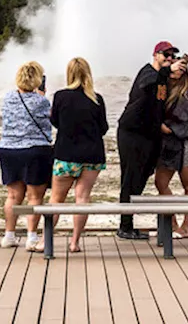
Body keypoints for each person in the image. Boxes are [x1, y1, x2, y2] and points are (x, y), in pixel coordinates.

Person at [116, 42, 186, 240]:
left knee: (141, 177)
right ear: (155, 55)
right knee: (130, 178)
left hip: (149, 135)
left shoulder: (162, 80)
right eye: (166, 55)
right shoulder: (147, 72)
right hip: (132, 133)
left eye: (173, 56)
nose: (169, 59)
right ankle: (125, 226)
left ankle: (128, 223)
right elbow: (147, 84)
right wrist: (167, 71)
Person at [50, 57, 108, 254]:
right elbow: (103, 128)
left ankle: (45, 240)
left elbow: (55, 122)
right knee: (82, 198)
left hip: (66, 154)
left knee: (57, 199)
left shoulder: (60, 96)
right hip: (92, 156)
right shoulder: (97, 99)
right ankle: (75, 242)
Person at [0, 61, 53, 251]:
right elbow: (49, 118)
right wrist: (42, 95)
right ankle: (31, 236)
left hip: (8, 148)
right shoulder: (41, 101)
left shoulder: (8, 97)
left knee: (13, 195)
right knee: (34, 196)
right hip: (35, 149)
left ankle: (9, 235)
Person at [154, 64, 188, 239]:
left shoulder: (185, 95)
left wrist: (171, 128)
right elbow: (156, 109)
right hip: (169, 143)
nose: (178, 72)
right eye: (176, 69)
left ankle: (185, 226)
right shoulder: (162, 89)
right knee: (161, 182)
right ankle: (173, 224)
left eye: (181, 70)